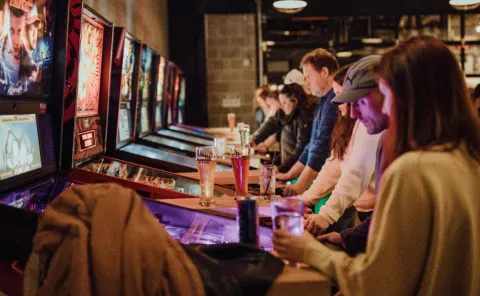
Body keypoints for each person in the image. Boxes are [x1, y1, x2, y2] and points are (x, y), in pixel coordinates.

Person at [273, 36, 480, 295]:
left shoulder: (412, 170)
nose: (355, 114)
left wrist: (310, 251)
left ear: (409, 98)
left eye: (385, 93)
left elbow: (377, 284)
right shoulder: (469, 158)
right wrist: (347, 237)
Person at [301, 58, 383, 235]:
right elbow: (335, 164)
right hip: (367, 213)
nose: (341, 105)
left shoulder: (370, 125)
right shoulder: (350, 123)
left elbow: (356, 172)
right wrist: (307, 199)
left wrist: (326, 215)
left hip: (376, 210)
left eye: (354, 100)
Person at [277, 49, 339, 196]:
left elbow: (320, 148)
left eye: (309, 77)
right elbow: (311, 146)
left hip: (332, 187)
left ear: (324, 72)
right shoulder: (324, 101)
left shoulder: (334, 102)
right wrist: (289, 175)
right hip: (323, 182)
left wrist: (300, 186)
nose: (306, 83)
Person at [250, 83, 313, 173]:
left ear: (294, 101)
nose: (281, 106)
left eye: (284, 102)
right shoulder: (285, 112)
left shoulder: (304, 118)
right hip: (288, 166)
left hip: (297, 171)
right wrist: (255, 139)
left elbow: (300, 149)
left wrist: (281, 168)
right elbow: (271, 123)